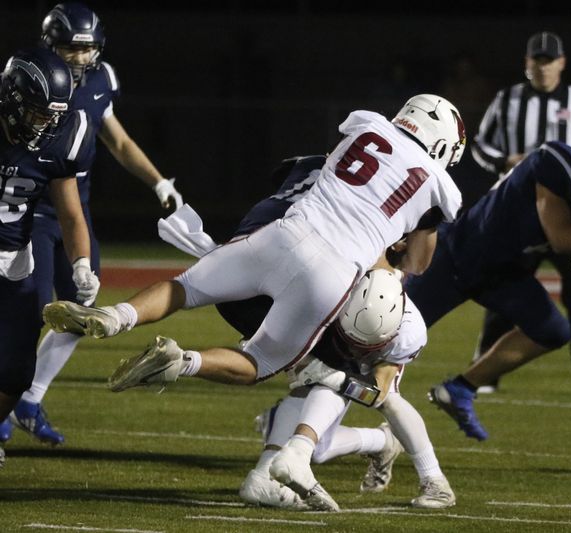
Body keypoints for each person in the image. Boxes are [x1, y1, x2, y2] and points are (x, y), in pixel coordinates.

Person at [43, 94, 465, 391]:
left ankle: (115, 316)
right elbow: (417, 263)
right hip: (334, 273)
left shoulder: (365, 125)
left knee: (185, 287)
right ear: (443, 144)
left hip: (284, 234)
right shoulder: (439, 186)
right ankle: (183, 361)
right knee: (261, 361)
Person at [152, 156, 454, 511]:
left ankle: (434, 480)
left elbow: (380, 394)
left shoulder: (405, 324)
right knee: (317, 425)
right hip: (324, 285)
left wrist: (338, 376)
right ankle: (351, 448)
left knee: (343, 390)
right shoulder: (335, 237)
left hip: (364, 299)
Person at [0, 2, 184, 446]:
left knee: (82, 306)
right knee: (28, 311)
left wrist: (158, 181)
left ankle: (27, 398)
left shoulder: (97, 87)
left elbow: (117, 142)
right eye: (71, 48)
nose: (81, 58)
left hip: (68, 210)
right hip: (27, 216)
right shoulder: (24, 87)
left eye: (87, 49)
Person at [413, 130, 571, 441]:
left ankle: (460, 389)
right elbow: (561, 237)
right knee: (386, 335)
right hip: (457, 258)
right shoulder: (556, 163)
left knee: (552, 330)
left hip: (502, 272)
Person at [238, 270, 454, 511]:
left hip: (372, 360)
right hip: (332, 331)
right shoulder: (328, 292)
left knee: (390, 400)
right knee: (318, 448)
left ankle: (434, 480)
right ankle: (382, 441)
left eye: (364, 346)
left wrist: (333, 376)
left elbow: (377, 394)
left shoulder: (408, 333)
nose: (356, 351)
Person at [470, 31, 571, 396]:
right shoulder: (507, 100)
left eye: (549, 61)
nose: (542, 67)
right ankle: (485, 371)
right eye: (537, 60)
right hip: (517, 212)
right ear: (527, 63)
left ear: (561, 63)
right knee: (504, 286)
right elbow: (480, 145)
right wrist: (505, 161)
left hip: (568, 213)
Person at [0, 47, 97, 466]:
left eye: (52, 116)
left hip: (13, 262)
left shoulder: (62, 137)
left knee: (18, 372)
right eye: (38, 113)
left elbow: (71, 213)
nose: (45, 125)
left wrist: (81, 263)